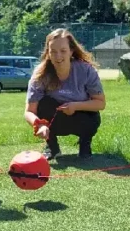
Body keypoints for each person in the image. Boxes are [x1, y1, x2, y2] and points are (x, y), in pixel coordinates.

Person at [23, 29, 106, 160]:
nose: (58, 56)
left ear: (71, 51)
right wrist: (39, 124)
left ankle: (85, 145)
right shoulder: (40, 74)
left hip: (82, 118)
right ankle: (52, 148)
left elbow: (100, 103)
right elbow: (29, 112)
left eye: (63, 51)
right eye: (53, 52)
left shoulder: (86, 70)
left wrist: (75, 106)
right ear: (48, 53)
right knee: (44, 103)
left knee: (93, 116)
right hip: (55, 121)